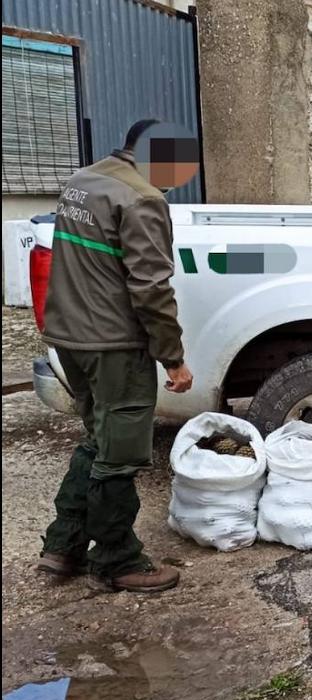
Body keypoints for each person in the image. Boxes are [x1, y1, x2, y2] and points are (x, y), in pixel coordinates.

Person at [36, 119, 197, 593]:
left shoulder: (83, 181)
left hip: (69, 336)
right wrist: (172, 357)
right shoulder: (143, 198)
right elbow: (150, 288)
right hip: (112, 344)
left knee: (98, 437)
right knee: (120, 453)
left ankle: (62, 546)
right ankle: (118, 559)